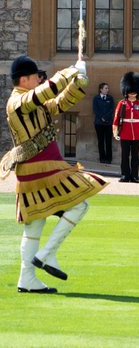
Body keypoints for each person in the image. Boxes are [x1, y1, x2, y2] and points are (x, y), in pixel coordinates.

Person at [3, 55, 108, 293]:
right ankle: (47, 254)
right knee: (79, 206)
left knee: (34, 229)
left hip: (40, 170)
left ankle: (27, 279)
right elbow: (44, 94)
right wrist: (71, 70)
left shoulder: (32, 103)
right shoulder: (17, 102)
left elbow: (60, 102)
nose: (39, 80)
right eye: (36, 77)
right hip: (43, 169)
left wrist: (78, 82)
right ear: (24, 78)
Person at [113, 72, 139, 183]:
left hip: (137, 134)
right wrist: (115, 132)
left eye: (134, 93)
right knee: (124, 156)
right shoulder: (122, 103)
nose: (132, 95)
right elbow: (116, 119)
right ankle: (125, 175)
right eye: (130, 93)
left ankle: (134, 176)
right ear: (126, 92)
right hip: (125, 133)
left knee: (135, 157)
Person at [92, 82, 115, 164]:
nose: (107, 90)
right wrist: (101, 117)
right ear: (101, 89)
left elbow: (112, 109)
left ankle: (109, 159)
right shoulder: (96, 98)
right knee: (100, 141)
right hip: (99, 123)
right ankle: (102, 158)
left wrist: (105, 118)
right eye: (105, 88)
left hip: (108, 123)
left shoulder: (110, 98)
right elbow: (95, 109)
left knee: (108, 141)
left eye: (108, 88)